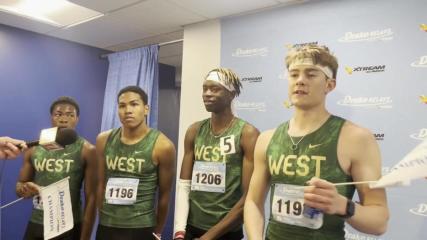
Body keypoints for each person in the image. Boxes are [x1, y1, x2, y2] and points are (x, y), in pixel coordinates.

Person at [244, 45, 389, 240]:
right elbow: (253, 202)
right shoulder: (267, 139)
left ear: (330, 85)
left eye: (311, 75)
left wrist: (343, 205)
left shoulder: (357, 138)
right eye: (294, 74)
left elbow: (379, 222)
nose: (300, 81)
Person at [173, 68, 260, 240]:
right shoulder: (194, 130)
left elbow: (249, 197)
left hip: (226, 232)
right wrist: (179, 231)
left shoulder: (247, 134)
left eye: (214, 89)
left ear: (232, 94)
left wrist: (209, 237)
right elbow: (184, 185)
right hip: (191, 228)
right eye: (205, 89)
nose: (207, 94)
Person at [96, 86, 176, 240]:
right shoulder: (103, 140)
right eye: (122, 106)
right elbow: (100, 184)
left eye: (134, 104)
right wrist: (104, 216)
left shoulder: (163, 146)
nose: (128, 110)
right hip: (107, 225)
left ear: (146, 109)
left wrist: (158, 231)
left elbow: (165, 194)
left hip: (142, 227)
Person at [16, 96, 97, 240]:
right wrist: (24, 189)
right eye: (58, 114)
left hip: (69, 226)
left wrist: (85, 237)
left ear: (77, 119)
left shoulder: (87, 150)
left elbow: (91, 197)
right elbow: (20, 186)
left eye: (70, 115)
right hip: (37, 223)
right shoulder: (33, 149)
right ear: (51, 117)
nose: (64, 119)